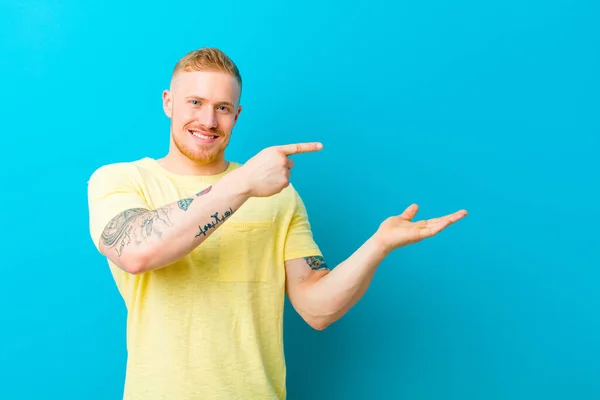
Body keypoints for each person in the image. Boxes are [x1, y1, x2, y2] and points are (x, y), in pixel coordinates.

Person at [87, 47, 467, 400]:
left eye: (222, 107)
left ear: (237, 115)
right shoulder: (121, 180)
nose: (208, 120)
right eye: (195, 102)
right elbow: (136, 251)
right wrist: (242, 184)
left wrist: (378, 246)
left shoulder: (278, 196)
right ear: (168, 103)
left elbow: (317, 309)